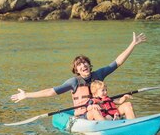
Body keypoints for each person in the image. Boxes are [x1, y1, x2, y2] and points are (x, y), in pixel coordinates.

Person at [10, 32, 146, 118]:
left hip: (104, 112)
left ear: (89, 66)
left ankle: (133, 126)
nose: (83, 66)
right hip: (86, 115)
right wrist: (27, 94)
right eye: (80, 65)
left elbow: (117, 62)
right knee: (94, 110)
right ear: (77, 71)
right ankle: (109, 126)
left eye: (85, 63)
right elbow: (50, 92)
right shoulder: (73, 82)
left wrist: (133, 44)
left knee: (127, 105)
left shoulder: (98, 75)